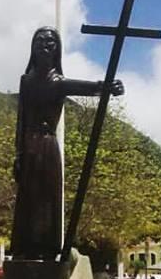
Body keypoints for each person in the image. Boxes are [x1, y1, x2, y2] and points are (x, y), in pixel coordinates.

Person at [10, 27, 124, 261]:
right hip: (29, 148)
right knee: (28, 197)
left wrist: (109, 87)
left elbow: (89, 87)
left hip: (48, 146)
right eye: (40, 40)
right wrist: (19, 154)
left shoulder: (58, 82)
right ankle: (25, 248)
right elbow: (21, 120)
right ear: (32, 46)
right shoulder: (26, 81)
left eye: (51, 42)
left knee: (47, 197)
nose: (45, 45)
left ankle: (46, 248)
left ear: (57, 49)